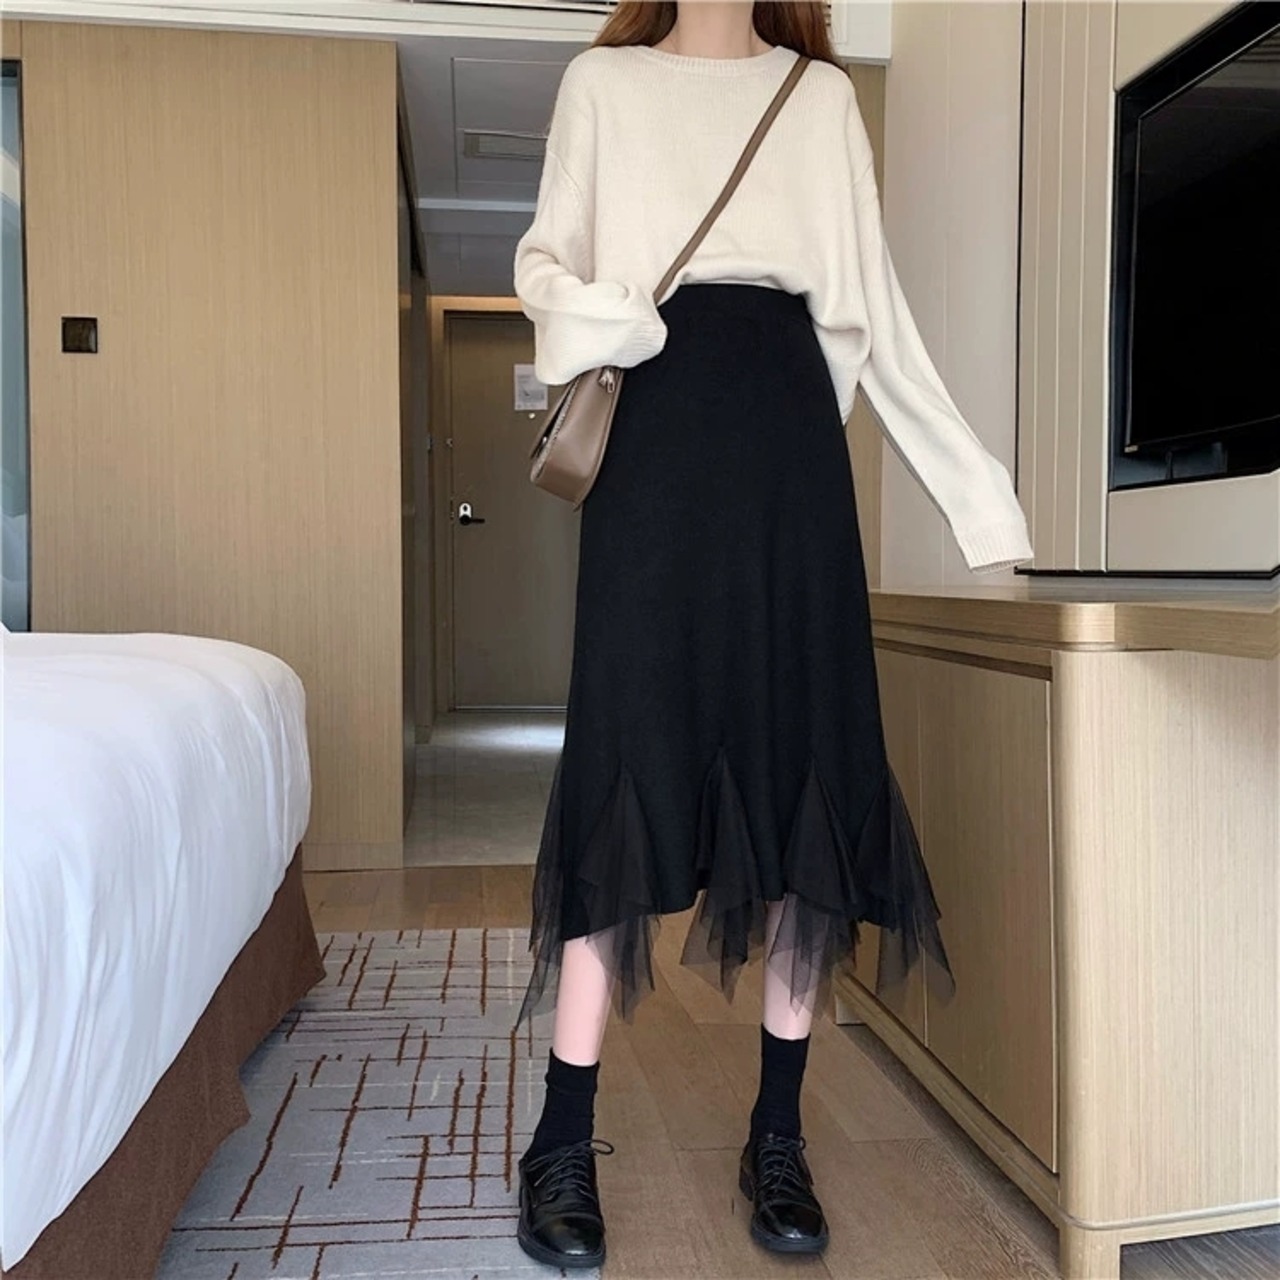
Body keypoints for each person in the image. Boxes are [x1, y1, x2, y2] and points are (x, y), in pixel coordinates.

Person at [510, 0, 1033, 1268]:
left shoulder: (818, 97)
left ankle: (777, 1132)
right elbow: (541, 264)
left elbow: (874, 313)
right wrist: (618, 318)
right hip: (650, 443)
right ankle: (561, 1136)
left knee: (807, 762)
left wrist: (979, 503)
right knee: (625, 754)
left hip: (789, 448)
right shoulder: (603, 86)